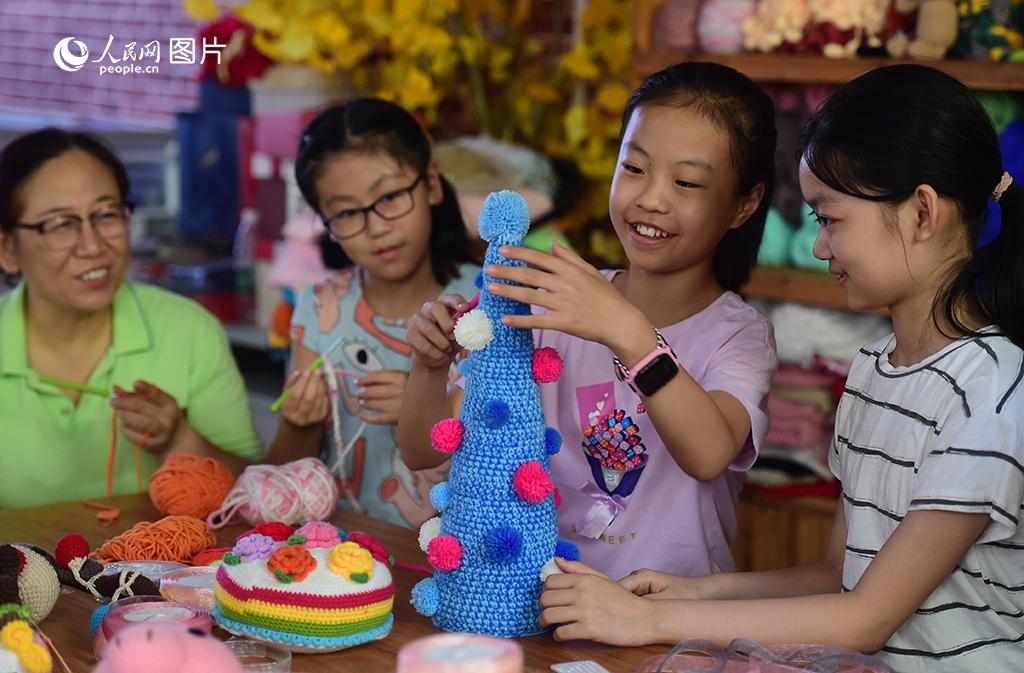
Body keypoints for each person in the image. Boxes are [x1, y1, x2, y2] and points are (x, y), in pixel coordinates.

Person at [536, 64, 1024, 672]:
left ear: (922, 213)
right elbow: (835, 573)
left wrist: (648, 621)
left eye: (831, 219)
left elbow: (866, 618)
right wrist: (690, 592)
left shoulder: (988, 388)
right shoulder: (874, 371)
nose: (818, 248)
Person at [399, 61, 779, 581]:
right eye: (634, 168)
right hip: (540, 603)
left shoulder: (738, 335)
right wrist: (427, 367)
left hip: (668, 616)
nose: (650, 199)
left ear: (744, 205)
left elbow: (709, 453)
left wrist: (626, 330)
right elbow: (423, 449)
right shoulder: (550, 305)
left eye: (687, 181)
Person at [0, 128, 264, 510]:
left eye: (107, 214)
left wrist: (179, 440)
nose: (93, 246)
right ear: (7, 249)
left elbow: (256, 493)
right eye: (60, 224)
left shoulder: (188, 330)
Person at [265, 98, 481, 528]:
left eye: (390, 196)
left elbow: (514, 451)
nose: (377, 227)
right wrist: (298, 423)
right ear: (325, 222)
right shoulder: (321, 307)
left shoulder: (482, 303)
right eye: (347, 213)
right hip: (339, 550)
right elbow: (286, 477)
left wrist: (423, 406)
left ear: (431, 184)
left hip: (459, 552)